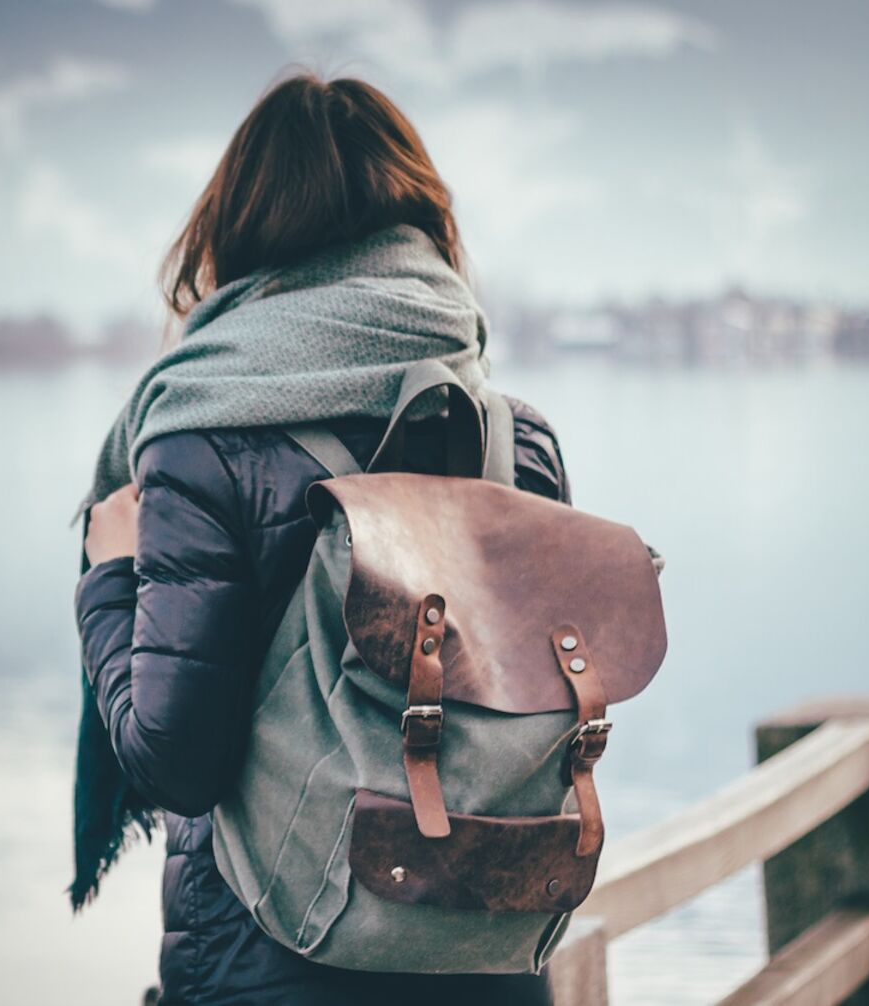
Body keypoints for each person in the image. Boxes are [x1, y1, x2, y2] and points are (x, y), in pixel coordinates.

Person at [71, 72, 569, 1005]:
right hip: (489, 952)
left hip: (278, 961)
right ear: (420, 224)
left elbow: (176, 761)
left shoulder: (200, 439)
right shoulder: (513, 438)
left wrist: (111, 575)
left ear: (240, 230)